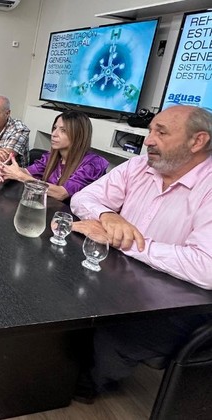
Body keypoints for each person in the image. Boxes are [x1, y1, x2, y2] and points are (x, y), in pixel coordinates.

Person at [69, 105, 212, 403]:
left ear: (197, 141)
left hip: (181, 301)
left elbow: (205, 267)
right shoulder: (138, 166)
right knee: (61, 288)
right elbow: (83, 197)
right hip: (123, 274)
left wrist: (127, 242)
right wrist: (108, 215)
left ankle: (90, 379)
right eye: (150, 131)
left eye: (161, 132)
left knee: (113, 336)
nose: (148, 140)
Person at [0, 110, 109, 201]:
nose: (54, 134)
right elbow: (28, 172)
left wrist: (20, 176)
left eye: (63, 130)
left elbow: (61, 193)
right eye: (55, 128)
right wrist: (9, 170)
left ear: (79, 135)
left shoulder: (93, 164)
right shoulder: (51, 156)